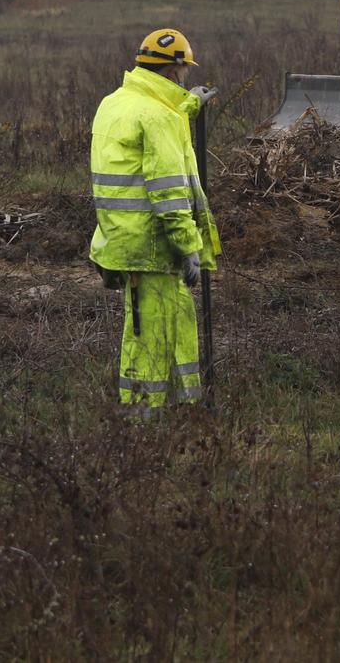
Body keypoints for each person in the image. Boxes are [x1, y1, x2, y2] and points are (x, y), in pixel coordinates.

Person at [89, 28, 221, 415]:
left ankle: (167, 408)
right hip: (154, 246)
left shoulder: (115, 103)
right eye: (184, 72)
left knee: (157, 324)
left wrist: (188, 107)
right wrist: (189, 247)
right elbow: (169, 193)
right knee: (157, 334)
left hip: (121, 238)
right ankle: (145, 419)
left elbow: (152, 121)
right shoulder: (159, 116)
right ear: (175, 69)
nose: (186, 78)